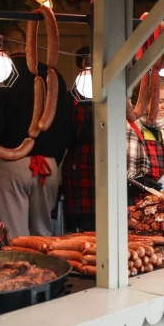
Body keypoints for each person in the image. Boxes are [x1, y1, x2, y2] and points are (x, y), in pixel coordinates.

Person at [0, 24, 71, 240]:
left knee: (15, 240)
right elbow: (67, 125)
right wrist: (54, 159)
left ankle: (21, 274)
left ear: (2, 46)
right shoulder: (53, 75)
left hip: (10, 163)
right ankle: (48, 274)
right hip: (48, 167)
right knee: (44, 237)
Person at [126, 83, 164, 202]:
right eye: (160, 101)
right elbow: (116, 174)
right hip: (135, 203)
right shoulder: (125, 129)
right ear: (142, 103)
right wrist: (140, 183)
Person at [63, 47, 95, 233]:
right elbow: (65, 135)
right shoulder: (69, 98)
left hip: (104, 168)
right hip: (78, 169)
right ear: (83, 64)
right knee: (81, 227)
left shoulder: (109, 95)